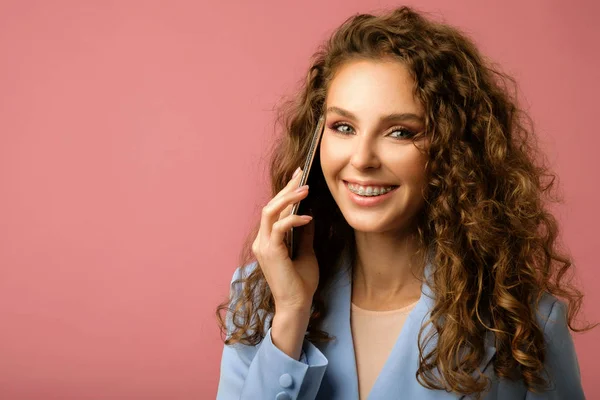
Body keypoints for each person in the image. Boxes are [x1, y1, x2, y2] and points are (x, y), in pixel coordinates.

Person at [215, 6, 593, 400]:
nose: (361, 159)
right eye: (343, 127)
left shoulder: (522, 322)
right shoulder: (259, 300)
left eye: (399, 132)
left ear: (454, 150)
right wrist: (291, 313)